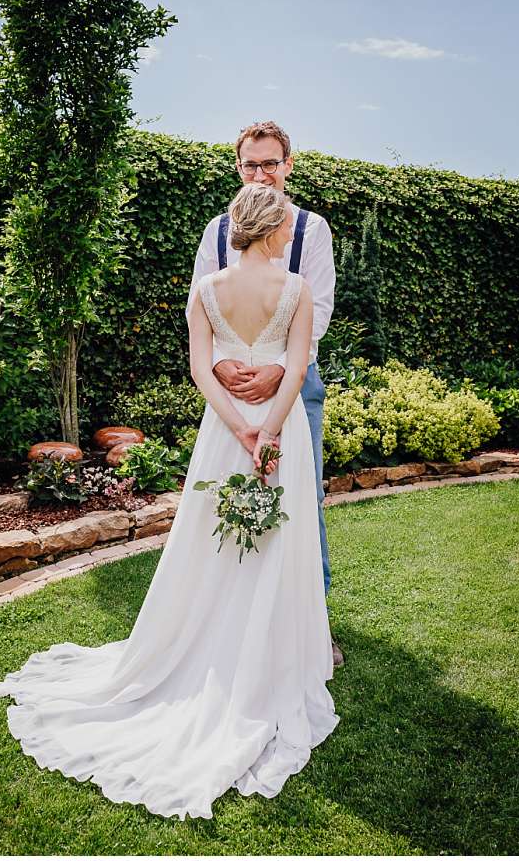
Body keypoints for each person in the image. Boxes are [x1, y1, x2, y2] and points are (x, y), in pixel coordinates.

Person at [0, 184, 339, 820]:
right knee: (276, 539)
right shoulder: (296, 291)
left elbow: (203, 370)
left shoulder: (205, 291)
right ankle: (265, 661)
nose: (291, 235)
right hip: (276, 430)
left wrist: (237, 429)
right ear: (267, 232)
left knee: (211, 540)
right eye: (284, 228)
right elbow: (298, 358)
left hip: (224, 429)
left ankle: (215, 649)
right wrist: (268, 434)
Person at [186, 120, 344, 668]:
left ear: (288, 165)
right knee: (223, 494)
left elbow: (318, 309)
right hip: (229, 388)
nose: (261, 173)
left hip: (296, 384)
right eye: (251, 164)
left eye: (270, 163)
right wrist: (224, 362)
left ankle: (312, 624)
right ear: (238, 168)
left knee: (302, 496)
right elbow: (203, 306)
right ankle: (223, 620)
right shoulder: (216, 231)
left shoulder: (312, 230)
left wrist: (282, 366)